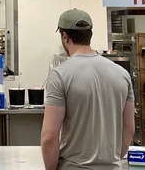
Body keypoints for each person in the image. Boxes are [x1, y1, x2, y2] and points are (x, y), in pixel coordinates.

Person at [41, 9, 135, 170]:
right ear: (89, 35)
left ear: (65, 37)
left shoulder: (60, 75)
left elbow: (49, 137)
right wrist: (111, 160)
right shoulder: (122, 74)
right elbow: (129, 129)